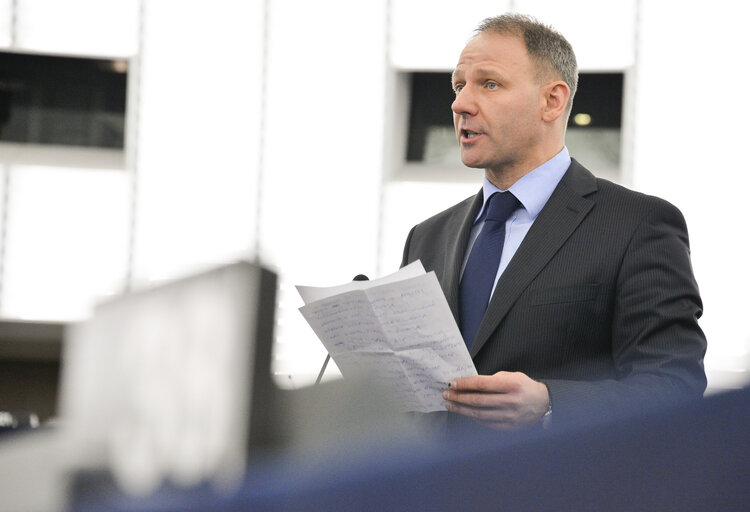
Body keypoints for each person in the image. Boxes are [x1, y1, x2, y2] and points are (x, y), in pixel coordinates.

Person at [400, 14, 707, 430]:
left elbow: (673, 385)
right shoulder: (427, 237)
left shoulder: (638, 226)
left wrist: (550, 403)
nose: (460, 104)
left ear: (553, 101)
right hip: (429, 491)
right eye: (459, 85)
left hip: (559, 490)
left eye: (489, 84)